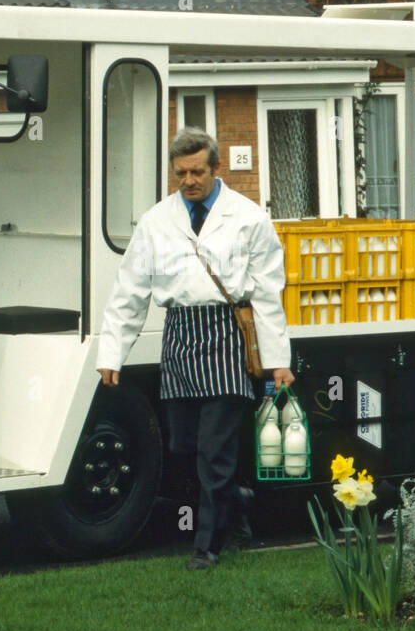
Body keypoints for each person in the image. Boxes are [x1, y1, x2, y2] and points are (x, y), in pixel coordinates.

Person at [96, 127, 296, 569]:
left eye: (197, 172)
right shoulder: (155, 221)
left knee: (213, 451)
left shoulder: (248, 218)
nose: (189, 181)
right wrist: (112, 354)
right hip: (181, 336)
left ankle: (206, 548)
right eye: (181, 173)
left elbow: (267, 292)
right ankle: (238, 501)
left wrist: (278, 361)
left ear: (216, 169)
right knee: (184, 449)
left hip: (226, 334)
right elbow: (129, 291)